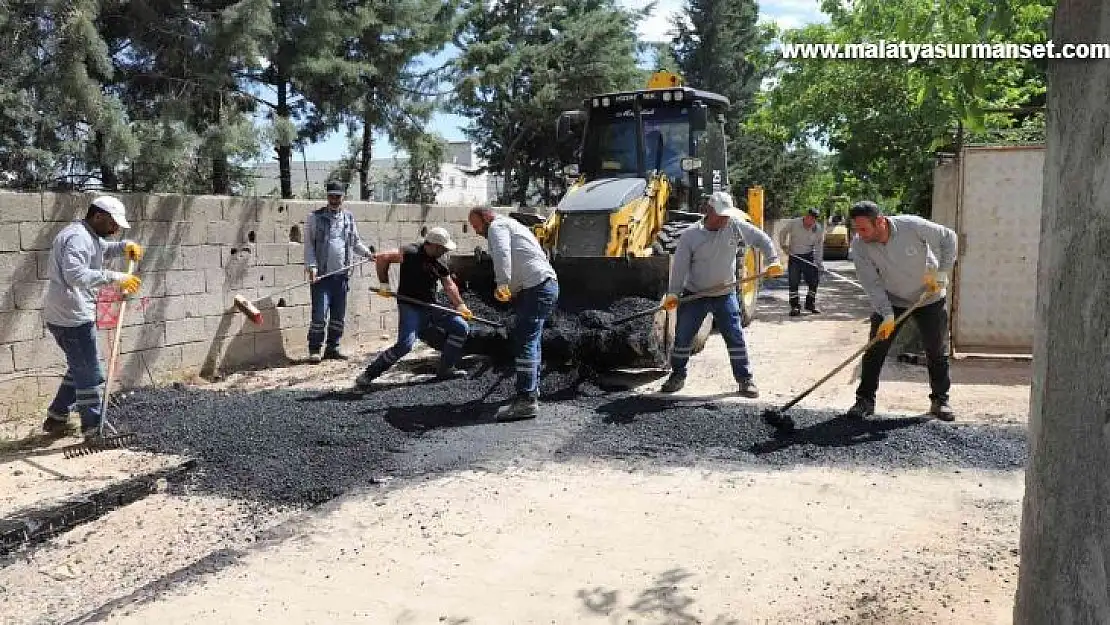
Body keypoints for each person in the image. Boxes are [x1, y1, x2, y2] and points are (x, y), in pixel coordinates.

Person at [659, 190, 784, 398]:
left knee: (735, 337)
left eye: (727, 215)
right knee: (683, 337)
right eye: (721, 215)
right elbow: (680, 267)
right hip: (695, 295)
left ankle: (745, 379)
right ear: (709, 211)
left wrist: (773, 260)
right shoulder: (691, 235)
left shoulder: (735, 227)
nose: (726, 218)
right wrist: (673, 293)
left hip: (725, 294)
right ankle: (677, 375)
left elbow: (761, 239)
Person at [846, 200, 958, 421]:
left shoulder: (911, 226)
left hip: (929, 296)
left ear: (879, 221)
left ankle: (940, 401)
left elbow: (949, 238)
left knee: (936, 351)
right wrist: (887, 314)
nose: (859, 234)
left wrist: (943, 272)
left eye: (863, 228)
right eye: (856, 229)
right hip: (892, 299)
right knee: (875, 349)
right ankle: (865, 400)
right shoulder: (860, 246)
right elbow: (871, 284)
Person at [42, 196, 143, 440]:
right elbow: (75, 274)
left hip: (70, 313)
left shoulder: (88, 236)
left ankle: (56, 417)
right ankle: (93, 427)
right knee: (89, 375)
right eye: (113, 224)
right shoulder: (78, 237)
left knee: (80, 366)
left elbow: (101, 249)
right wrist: (116, 277)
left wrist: (123, 246)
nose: (116, 229)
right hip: (71, 316)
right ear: (98, 216)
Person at [467, 207, 559, 421]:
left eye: (476, 224)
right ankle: (531, 392)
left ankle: (526, 400)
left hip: (536, 288)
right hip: (544, 286)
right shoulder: (515, 226)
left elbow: (502, 253)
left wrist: (502, 284)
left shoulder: (497, 226)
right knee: (531, 340)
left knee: (525, 341)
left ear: (486, 217)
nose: (475, 230)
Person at [355, 228, 474, 388]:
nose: (445, 251)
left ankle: (446, 368)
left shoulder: (440, 262)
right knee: (405, 345)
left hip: (430, 304)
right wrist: (384, 284)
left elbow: (449, 285)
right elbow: (383, 258)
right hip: (410, 305)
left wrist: (460, 305)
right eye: (443, 248)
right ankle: (369, 374)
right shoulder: (410, 252)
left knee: (460, 327)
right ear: (434, 245)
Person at [303, 181, 374, 363]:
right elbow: (309, 246)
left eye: (338, 197)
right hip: (322, 276)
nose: (334, 200)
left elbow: (355, 242)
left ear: (343, 197)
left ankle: (332, 348)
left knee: (337, 316)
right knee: (319, 315)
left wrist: (368, 253)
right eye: (331, 196)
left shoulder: (348, 218)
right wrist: (311, 267)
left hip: (341, 276)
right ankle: (314, 349)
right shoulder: (315, 218)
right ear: (327, 197)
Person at [778, 207, 825, 316]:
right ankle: (795, 307)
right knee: (793, 282)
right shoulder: (794, 223)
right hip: (794, 257)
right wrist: (783, 245)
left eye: (814, 221)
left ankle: (810, 304)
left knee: (814, 280)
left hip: (809, 256)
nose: (811, 223)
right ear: (806, 216)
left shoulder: (817, 229)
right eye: (810, 219)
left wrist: (819, 263)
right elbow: (782, 232)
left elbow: (819, 247)